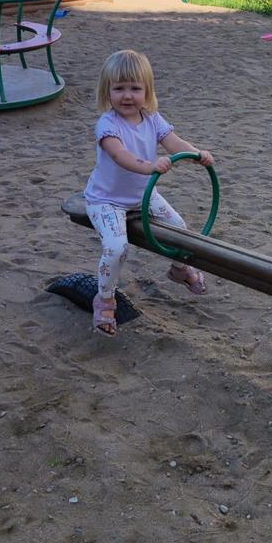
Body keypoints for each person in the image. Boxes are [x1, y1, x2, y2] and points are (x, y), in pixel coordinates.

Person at [84, 49, 214, 336]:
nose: (127, 96)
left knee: (179, 228)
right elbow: (120, 156)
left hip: (143, 195)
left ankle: (179, 270)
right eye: (119, 88)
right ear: (107, 91)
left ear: (147, 91)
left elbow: (174, 142)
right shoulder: (107, 124)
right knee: (117, 247)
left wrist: (197, 154)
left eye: (134, 88)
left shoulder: (152, 118)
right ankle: (104, 300)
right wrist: (150, 166)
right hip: (107, 200)